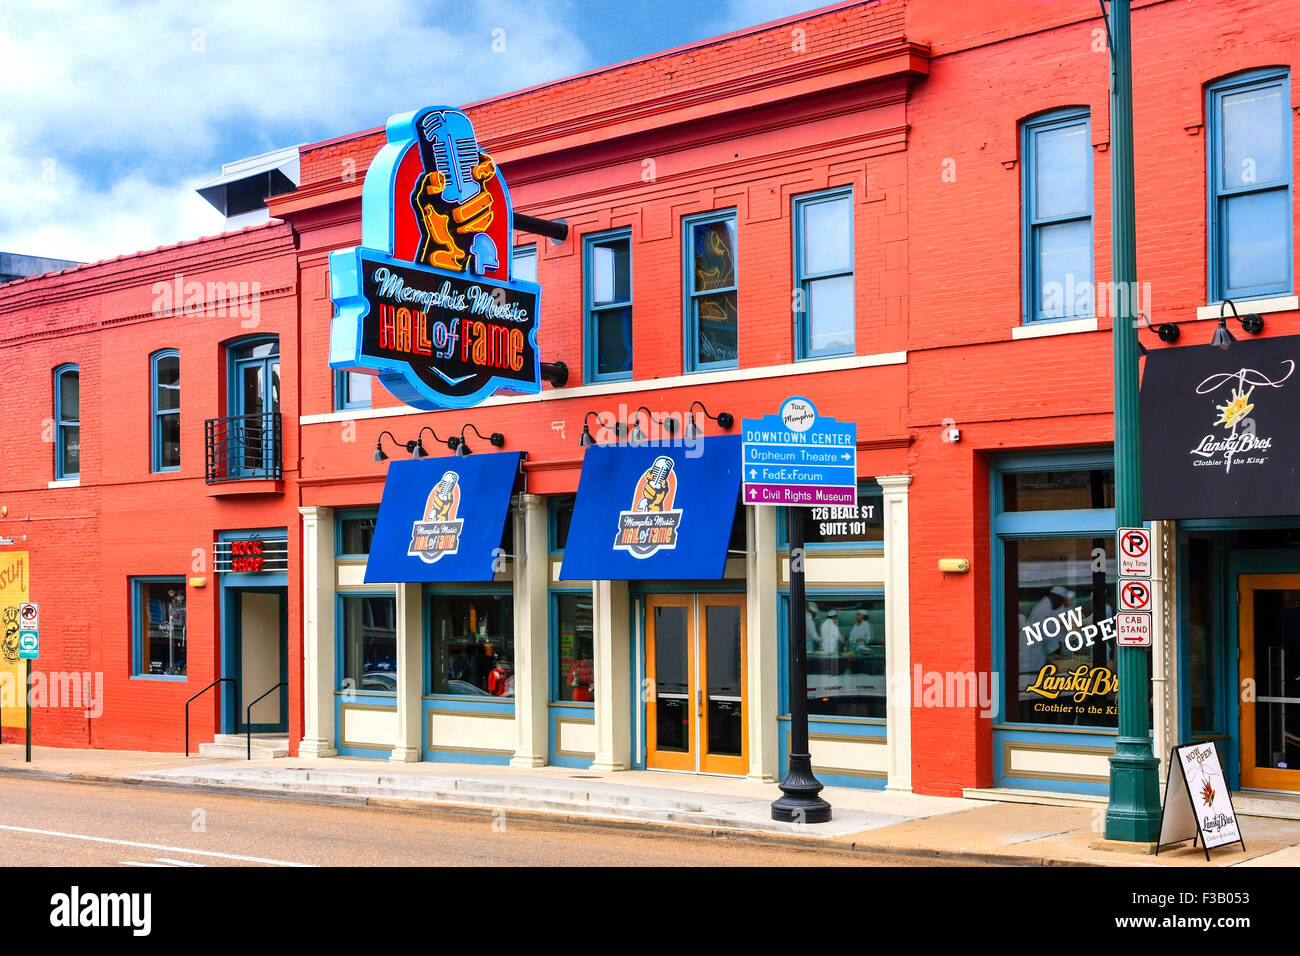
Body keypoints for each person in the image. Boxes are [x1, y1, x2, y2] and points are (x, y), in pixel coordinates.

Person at [1019, 585, 1074, 692]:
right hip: (1032, 658)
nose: (1061, 604)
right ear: (1055, 597)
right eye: (1061, 601)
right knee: (1032, 687)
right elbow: (1046, 634)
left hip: (1036, 654)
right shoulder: (1043, 609)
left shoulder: (1045, 606)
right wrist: (1057, 649)